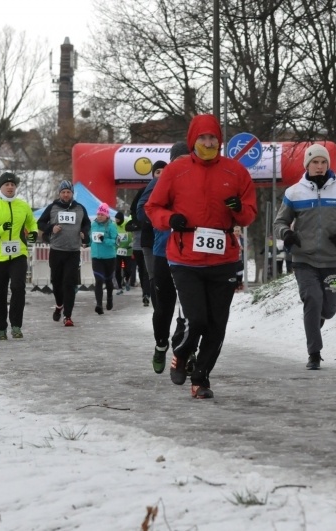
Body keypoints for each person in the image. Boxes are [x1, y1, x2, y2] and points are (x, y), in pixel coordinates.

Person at [146, 114, 257, 399]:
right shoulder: (176, 170)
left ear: (220, 140)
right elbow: (153, 207)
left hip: (223, 259)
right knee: (196, 320)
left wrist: (236, 209)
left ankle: (201, 379)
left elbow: (249, 213)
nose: (208, 143)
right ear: (192, 141)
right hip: (186, 259)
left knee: (217, 325)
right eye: (203, 138)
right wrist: (171, 219)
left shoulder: (236, 172)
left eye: (213, 138)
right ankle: (181, 353)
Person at [273, 144, 336, 370]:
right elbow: (279, 222)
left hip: (332, 260)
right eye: (314, 162)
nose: (319, 166)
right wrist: (287, 234)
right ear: (307, 165)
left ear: (328, 164)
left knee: (329, 308)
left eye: (323, 162)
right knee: (313, 299)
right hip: (304, 259)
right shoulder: (294, 193)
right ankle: (314, 354)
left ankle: (316, 320)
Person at [138, 143, 190, 375]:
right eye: (179, 159)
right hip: (164, 251)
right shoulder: (159, 181)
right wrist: (166, 218)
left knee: (192, 308)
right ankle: (161, 344)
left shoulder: (198, 181)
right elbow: (142, 210)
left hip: (192, 255)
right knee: (164, 308)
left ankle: (189, 351)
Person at [0, 172, 38, 340]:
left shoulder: (23, 205)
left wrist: (33, 232)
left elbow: (31, 222)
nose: (10, 187)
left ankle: (16, 326)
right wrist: (1, 229)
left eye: (13, 184)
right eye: (7, 184)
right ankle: (1, 328)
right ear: (1, 187)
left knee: (18, 288)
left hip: (18, 254)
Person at [37, 180, 91, 327]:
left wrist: (84, 233)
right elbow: (40, 223)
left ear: (72, 193)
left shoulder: (80, 208)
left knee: (69, 283)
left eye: (68, 192)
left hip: (73, 252)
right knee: (56, 282)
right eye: (63, 192)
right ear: (59, 193)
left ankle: (68, 316)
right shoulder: (53, 207)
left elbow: (87, 223)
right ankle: (59, 304)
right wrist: (51, 227)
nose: (66, 195)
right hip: (56, 250)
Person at [89, 203, 118, 314]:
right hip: (96, 257)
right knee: (99, 281)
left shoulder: (111, 226)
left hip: (109, 258)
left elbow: (115, 242)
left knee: (108, 281)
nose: (100, 216)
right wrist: (86, 242)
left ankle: (109, 298)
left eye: (102, 214)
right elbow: (91, 238)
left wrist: (104, 240)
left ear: (107, 215)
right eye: (98, 214)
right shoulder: (93, 225)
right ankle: (99, 305)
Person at [128, 186, 151, 306]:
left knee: (148, 270)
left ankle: (148, 293)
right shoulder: (136, 214)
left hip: (150, 243)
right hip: (138, 246)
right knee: (142, 270)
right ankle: (145, 291)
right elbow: (128, 224)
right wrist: (137, 224)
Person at [114, 211, 134, 295]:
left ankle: (127, 279)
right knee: (117, 269)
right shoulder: (114, 226)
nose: (117, 221)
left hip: (127, 250)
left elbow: (132, 233)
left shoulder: (127, 224)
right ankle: (119, 287)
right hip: (117, 251)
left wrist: (132, 242)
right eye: (116, 219)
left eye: (118, 219)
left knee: (128, 269)